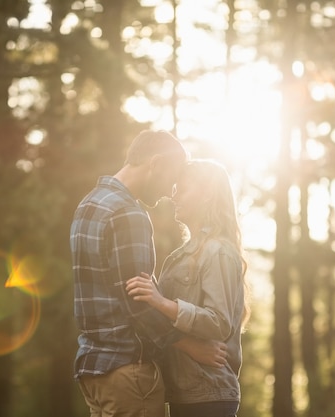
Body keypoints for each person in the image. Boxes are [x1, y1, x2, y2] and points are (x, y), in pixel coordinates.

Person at [70, 131, 228, 417]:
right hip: (129, 373)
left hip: (93, 372)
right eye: (172, 179)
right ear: (155, 164)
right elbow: (139, 302)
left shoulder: (89, 204)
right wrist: (190, 346)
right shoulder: (128, 214)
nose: (170, 191)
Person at [126, 159, 250, 417]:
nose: (174, 196)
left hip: (209, 395)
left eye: (182, 189)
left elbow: (218, 323)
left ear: (206, 195)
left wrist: (161, 303)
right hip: (184, 392)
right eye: (174, 189)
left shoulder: (218, 252)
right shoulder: (180, 256)